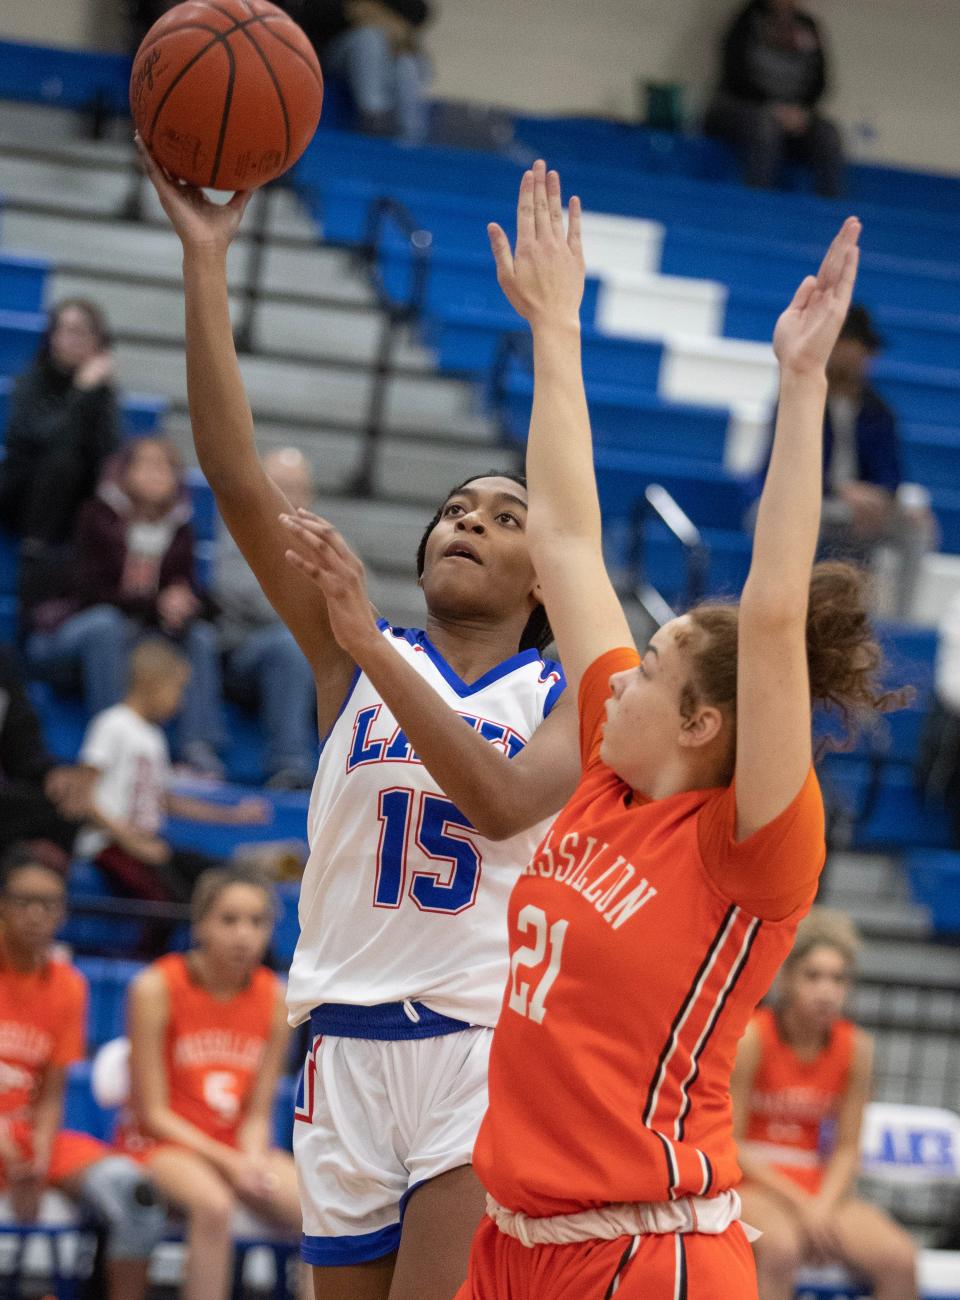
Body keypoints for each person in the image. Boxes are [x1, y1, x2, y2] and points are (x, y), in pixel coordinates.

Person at [436, 164, 902, 1299]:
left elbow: (777, 615)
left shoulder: (748, 849)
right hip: (511, 1242)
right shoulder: (610, 765)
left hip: (648, 1254)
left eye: (647, 668)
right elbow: (565, 539)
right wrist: (555, 327)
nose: (615, 676)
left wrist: (800, 389)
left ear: (702, 721)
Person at [137, 136, 582, 1300]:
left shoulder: (573, 692)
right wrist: (206, 260)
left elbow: (493, 804)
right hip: (342, 1048)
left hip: (476, 1052)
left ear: (551, 575)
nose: (466, 520)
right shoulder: (356, 652)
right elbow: (237, 482)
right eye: (453, 508)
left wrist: (369, 644)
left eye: (501, 512)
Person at [119, 866, 307, 1300]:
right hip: (161, 1145)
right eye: (229, 920)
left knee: (318, 1209)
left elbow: (259, 1112)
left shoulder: (276, 998)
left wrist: (254, 1155)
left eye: (257, 922)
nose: (244, 935)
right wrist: (231, 1163)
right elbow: (152, 1114)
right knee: (213, 1204)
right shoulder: (155, 987)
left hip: (234, 1144)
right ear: (200, 923)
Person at [0, 844, 166, 1300]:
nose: (36, 914)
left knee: (137, 1197)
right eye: (23, 901)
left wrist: (34, 1154)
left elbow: (51, 1093)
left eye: (49, 904)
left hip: (27, 1136)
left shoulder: (69, 985)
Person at [731, 908, 919, 1300]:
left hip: (815, 1184)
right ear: (786, 980)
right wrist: (803, 1205)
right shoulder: (751, 1037)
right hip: (751, 1181)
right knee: (781, 1250)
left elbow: (848, 1148)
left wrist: (822, 1205)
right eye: (813, 976)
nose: (826, 990)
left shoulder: (857, 1048)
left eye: (838, 979)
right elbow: (730, 1143)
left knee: (900, 1258)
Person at [25, 436, 226, 776]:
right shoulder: (95, 514)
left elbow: (187, 589)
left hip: (136, 632)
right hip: (72, 634)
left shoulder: (181, 529)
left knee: (200, 638)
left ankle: (198, 752)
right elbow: (89, 592)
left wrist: (185, 606)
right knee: (106, 624)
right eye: (145, 464)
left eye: (164, 466)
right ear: (125, 471)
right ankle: (118, 742)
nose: (155, 474)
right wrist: (155, 603)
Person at [75, 639, 268, 909]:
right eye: (177, 689)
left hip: (146, 843)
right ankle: (146, 952)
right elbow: (82, 795)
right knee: (168, 903)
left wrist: (233, 815)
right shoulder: (112, 724)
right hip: (107, 845)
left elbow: (165, 800)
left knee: (209, 876)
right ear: (152, 683)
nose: (181, 701)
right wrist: (129, 839)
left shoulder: (154, 737)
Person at [0, 299, 120, 630]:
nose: (70, 340)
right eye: (64, 331)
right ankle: (37, 549)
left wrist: (99, 394)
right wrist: (81, 392)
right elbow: (40, 438)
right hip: (22, 498)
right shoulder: (30, 382)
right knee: (61, 459)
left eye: (81, 333)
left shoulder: (104, 393)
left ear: (98, 342)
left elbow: (108, 456)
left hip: (75, 505)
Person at [819, 304, 934, 620]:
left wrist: (879, 497)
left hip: (860, 512)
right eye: (856, 348)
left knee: (916, 527)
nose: (862, 359)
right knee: (782, 516)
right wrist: (839, 489)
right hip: (812, 502)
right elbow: (777, 467)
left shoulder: (878, 411)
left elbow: (890, 474)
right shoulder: (803, 397)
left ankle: (899, 621)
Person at [215, 448, 318, 790]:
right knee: (289, 646)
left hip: (309, 656)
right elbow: (239, 593)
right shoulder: (239, 530)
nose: (288, 495)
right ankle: (288, 765)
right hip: (242, 656)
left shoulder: (323, 540)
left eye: (296, 487)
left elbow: (360, 600)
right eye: (280, 485)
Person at [705, 0, 844, 197]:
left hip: (794, 113)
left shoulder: (808, 26)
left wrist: (800, 111)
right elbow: (735, 73)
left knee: (827, 134)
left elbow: (820, 81)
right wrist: (772, 108)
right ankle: (758, 200)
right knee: (764, 128)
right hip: (745, 108)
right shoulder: (747, 20)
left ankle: (832, 211)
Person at [0, 643, 96, 865]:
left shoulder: (3, 665)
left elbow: (24, 748)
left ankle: (35, 891)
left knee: (62, 804)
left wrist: (52, 772)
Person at [299, 0, 432, 144]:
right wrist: (357, 13)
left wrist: (388, 19)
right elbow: (312, 11)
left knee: (406, 62)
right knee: (369, 38)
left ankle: (410, 140)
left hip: (387, 49)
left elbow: (420, 11)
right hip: (332, 51)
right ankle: (374, 119)